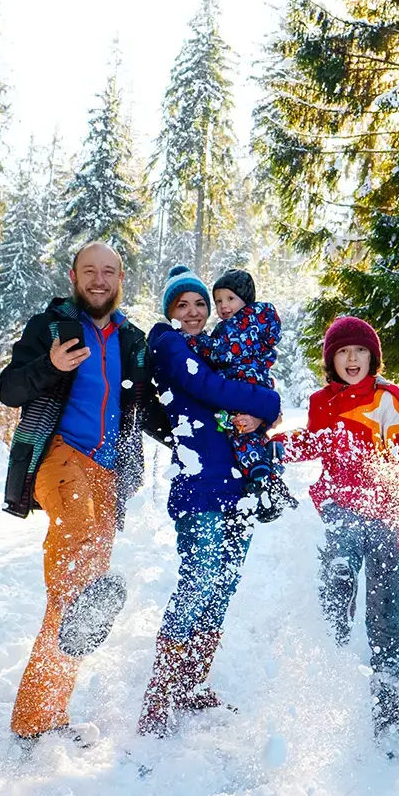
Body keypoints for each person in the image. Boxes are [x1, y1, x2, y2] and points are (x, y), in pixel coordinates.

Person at [0, 242, 169, 748]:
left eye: (109, 272)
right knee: (77, 545)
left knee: (73, 606)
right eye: (90, 271)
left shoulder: (132, 342)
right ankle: (79, 606)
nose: (99, 280)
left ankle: (40, 718)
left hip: (108, 473)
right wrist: (50, 365)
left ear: (121, 279)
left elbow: (150, 412)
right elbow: (10, 390)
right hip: (59, 454)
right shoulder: (50, 328)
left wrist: (217, 433)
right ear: (74, 276)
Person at [138, 265, 282, 737]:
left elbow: (241, 387)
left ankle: (190, 685)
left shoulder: (216, 346)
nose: (195, 312)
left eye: (201, 303)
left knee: (223, 586)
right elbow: (210, 389)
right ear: (170, 311)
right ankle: (159, 695)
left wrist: (259, 416)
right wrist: (268, 405)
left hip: (238, 486)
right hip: (199, 484)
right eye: (183, 305)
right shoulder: (168, 344)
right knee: (199, 579)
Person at [281, 316, 399, 749]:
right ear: (331, 359)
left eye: (360, 351)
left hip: (387, 517)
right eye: (343, 352)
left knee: (384, 615)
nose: (352, 358)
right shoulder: (322, 402)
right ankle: (337, 618)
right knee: (341, 556)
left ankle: (387, 707)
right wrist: (268, 444)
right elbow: (315, 442)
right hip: (341, 506)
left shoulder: (390, 401)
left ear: (372, 357)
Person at [189, 268, 281, 484]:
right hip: (248, 385)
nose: (224, 306)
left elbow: (222, 352)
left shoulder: (244, 324)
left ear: (245, 300)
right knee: (242, 428)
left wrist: (194, 341)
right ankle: (265, 461)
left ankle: (258, 469)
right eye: (218, 301)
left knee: (240, 430)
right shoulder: (241, 324)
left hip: (245, 382)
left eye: (230, 298)